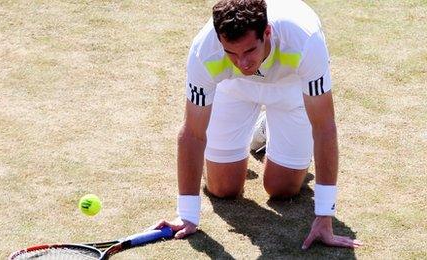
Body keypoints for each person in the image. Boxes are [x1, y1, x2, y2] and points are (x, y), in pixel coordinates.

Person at [150, 0, 363, 250]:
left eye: (249, 50)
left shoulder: (306, 40)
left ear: (267, 33)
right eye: (231, 52)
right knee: (222, 188)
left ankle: (265, 129)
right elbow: (193, 134)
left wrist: (325, 215)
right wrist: (187, 214)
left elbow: (324, 127)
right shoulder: (203, 50)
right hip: (234, 89)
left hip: (290, 91)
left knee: (281, 189)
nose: (243, 63)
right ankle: (262, 131)